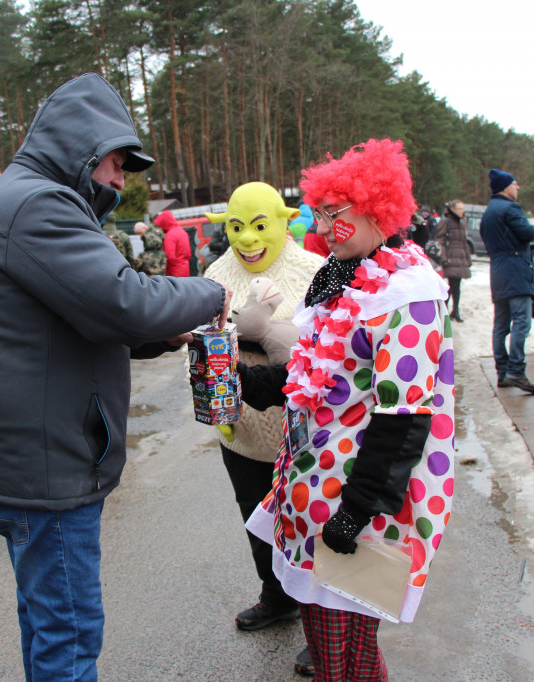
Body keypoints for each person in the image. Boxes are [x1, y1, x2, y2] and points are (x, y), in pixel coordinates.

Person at [0, 72, 230, 681]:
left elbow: (82, 317)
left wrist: (162, 334)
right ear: (82, 146)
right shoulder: (39, 204)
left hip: (32, 459)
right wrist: (213, 291)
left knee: (48, 624)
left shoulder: (29, 199)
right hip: (46, 469)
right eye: (115, 162)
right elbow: (122, 300)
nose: (119, 180)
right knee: (71, 636)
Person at [241, 139, 455, 681]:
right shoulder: (338, 274)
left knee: (345, 657)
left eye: (334, 215)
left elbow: (405, 414)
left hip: (351, 504)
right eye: (319, 213)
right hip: (307, 493)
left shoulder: (408, 290)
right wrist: (244, 381)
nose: (321, 226)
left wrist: (358, 509)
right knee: (336, 649)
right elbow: (315, 374)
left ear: (376, 209)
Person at [203, 182, 324, 676]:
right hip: (244, 428)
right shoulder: (215, 272)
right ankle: (276, 597)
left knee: (311, 528)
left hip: (303, 431)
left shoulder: (316, 272)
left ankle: (324, 631)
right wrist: (219, 412)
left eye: (258, 226)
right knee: (256, 518)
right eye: (236, 227)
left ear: (281, 220)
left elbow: (328, 351)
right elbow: (205, 345)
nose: (248, 240)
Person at [481, 169, 534, 395]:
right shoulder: (510, 208)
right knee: (521, 322)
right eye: (515, 184)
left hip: (498, 272)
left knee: (501, 325)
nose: (518, 188)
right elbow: (528, 233)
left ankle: (503, 372)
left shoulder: (489, 211)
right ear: (505, 187)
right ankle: (516, 370)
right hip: (516, 271)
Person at [434, 200, 472, 322]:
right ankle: (444, 311)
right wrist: (444, 258)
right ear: (453, 209)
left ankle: (455, 311)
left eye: (463, 208)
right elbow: (440, 240)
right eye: (460, 208)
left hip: (459, 258)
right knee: (451, 286)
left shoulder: (461, 222)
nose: (462, 211)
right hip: (451, 258)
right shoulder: (446, 222)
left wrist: (467, 258)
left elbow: (463, 242)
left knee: (457, 286)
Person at [153, 209, 191, 276]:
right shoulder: (182, 231)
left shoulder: (170, 235)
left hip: (175, 271)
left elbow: (169, 256)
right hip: (185, 268)